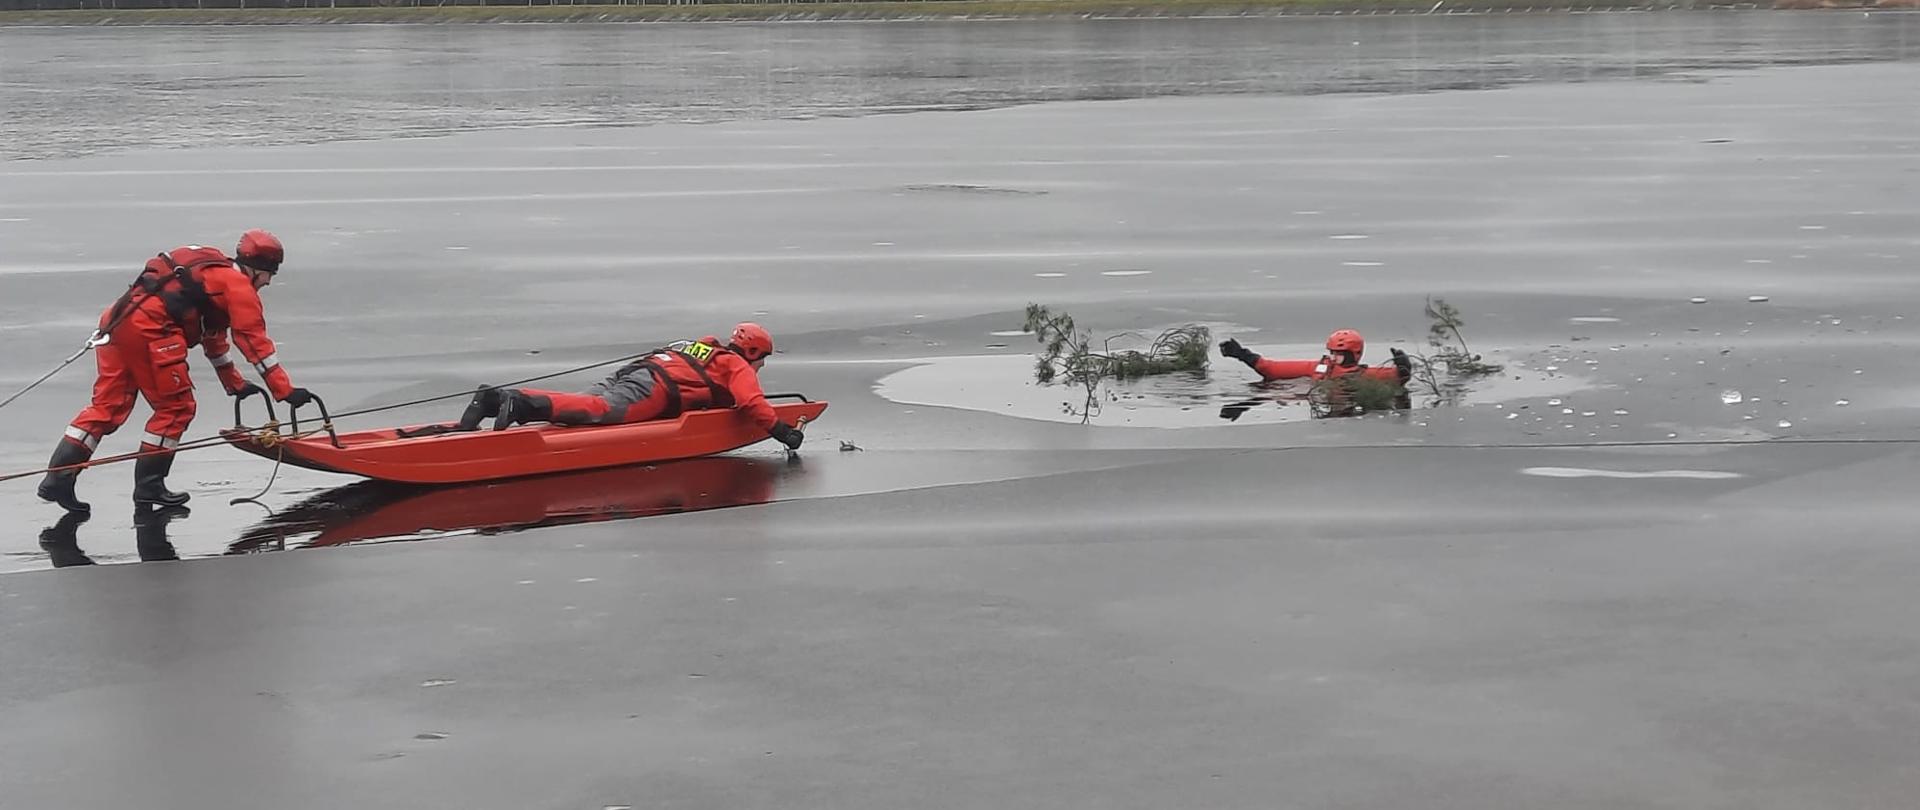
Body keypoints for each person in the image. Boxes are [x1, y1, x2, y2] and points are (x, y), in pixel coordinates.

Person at [36, 230, 316, 513]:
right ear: (255, 269)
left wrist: (233, 382)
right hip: (152, 330)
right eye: (268, 274)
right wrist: (285, 391)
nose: (268, 281)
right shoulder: (239, 287)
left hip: (117, 321)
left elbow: (213, 335)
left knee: (108, 406)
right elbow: (253, 342)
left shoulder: (212, 274)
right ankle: (149, 486)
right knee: (176, 409)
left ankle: (57, 478)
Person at [451, 322, 805, 451]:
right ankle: (518, 404)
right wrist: (782, 432)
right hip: (652, 388)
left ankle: (493, 399)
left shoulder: (706, 347)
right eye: (763, 359)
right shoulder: (736, 365)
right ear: (754, 352)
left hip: (637, 371)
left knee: (582, 409)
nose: (760, 367)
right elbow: (751, 403)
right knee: (602, 413)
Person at [1218, 329, 1412, 384]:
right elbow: (1272, 369)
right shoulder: (1317, 368)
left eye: (1340, 354)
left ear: (1354, 354)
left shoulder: (1365, 375)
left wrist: (1403, 369)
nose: (1334, 357)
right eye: (1332, 353)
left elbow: (1396, 377)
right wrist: (1243, 354)